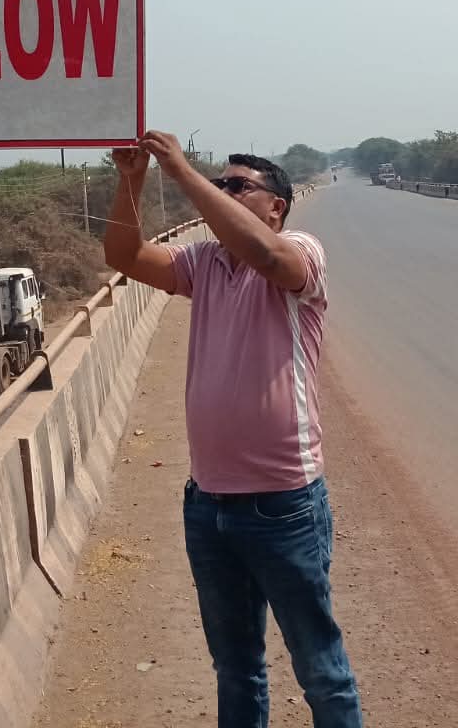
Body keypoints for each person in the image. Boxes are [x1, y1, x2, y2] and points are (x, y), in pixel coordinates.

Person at [105, 131, 362, 728]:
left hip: (283, 502)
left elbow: (269, 259)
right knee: (236, 667)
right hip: (209, 503)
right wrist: (130, 181)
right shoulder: (204, 262)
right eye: (220, 183)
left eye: (238, 186)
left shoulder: (299, 251)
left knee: (320, 669)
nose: (223, 191)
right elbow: (124, 257)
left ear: (276, 206)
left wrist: (182, 172)